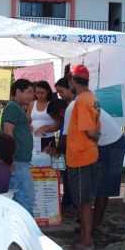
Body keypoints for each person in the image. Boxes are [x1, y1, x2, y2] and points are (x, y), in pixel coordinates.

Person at [66, 65, 100, 250]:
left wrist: (94, 138)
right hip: (87, 154)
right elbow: (96, 129)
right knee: (85, 200)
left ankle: (87, 239)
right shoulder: (92, 98)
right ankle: (86, 236)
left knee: (84, 202)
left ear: (72, 80)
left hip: (81, 157)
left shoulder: (82, 100)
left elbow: (90, 130)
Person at [1, 79, 34, 214]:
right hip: (17, 160)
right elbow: (8, 132)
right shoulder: (13, 107)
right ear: (18, 92)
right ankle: (26, 231)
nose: (32, 96)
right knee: (25, 197)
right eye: (29, 92)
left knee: (23, 197)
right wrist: (11, 158)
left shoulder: (17, 108)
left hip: (20, 160)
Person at [93, 109, 125, 231]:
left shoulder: (82, 108)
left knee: (102, 189)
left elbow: (93, 135)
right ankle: (95, 222)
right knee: (101, 188)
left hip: (112, 144)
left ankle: (94, 225)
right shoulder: (83, 105)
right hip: (108, 143)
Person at [54, 77, 75, 210]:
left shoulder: (73, 105)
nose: (60, 95)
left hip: (73, 147)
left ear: (69, 88)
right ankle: (68, 200)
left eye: (61, 92)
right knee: (66, 175)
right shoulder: (66, 104)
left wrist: (58, 149)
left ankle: (70, 202)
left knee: (70, 176)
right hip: (69, 146)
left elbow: (66, 133)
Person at [27, 81, 60, 151]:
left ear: (47, 92)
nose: (39, 95)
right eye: (37, 93)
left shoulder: (52, 105)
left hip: (48, 138)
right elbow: (27, 121)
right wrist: (28, 126)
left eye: (42, 93)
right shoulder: (31, 104)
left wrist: (46, 129)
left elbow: (58, 124)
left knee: (47, 160)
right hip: (34, 138)